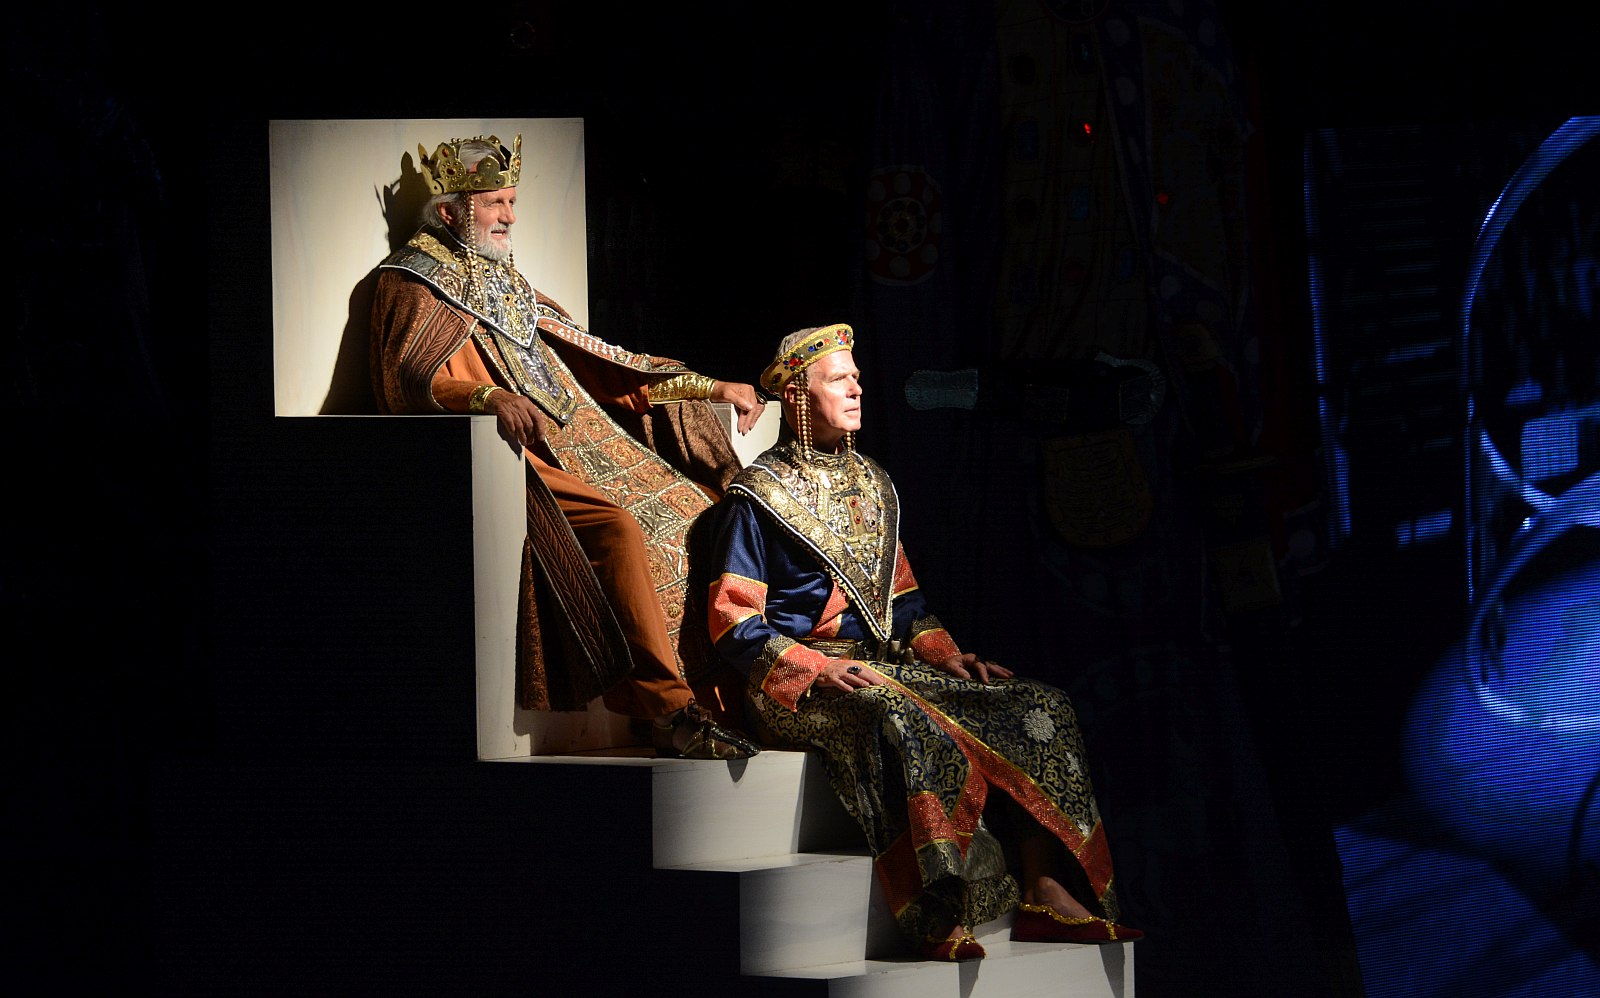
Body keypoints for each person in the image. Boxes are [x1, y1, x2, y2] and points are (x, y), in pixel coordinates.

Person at [706, 324, 1141, 959]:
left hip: (886, 666)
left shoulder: (874, 484)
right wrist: (814, 669)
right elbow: (734, 621)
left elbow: (905, 605)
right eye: (839, 379)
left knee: (1037, 704)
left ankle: (1042, 886)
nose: (857, 388)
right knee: (903, 720)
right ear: (798, 394)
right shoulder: (759, 497)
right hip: (798, 684)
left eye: (857, 377)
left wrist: (948, 656)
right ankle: (936, 907)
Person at [371, 133, 759, 759]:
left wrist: (707, 386)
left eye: (512, 201)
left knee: (705, 509)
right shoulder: (412, 281)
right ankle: (670, 713)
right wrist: (489, 397)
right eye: (495, 203)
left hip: (584, 436)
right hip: (518, 457)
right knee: (620, 529)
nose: (509, 216)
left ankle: (743, 698)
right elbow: (409, 375)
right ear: (449, 211)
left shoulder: (504, 277)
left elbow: (597, 359)